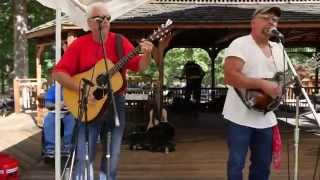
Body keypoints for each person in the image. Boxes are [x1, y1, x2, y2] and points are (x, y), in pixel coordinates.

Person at [52, 2, 153, 180]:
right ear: (90, 22)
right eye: (100, 18)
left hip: (115, 103)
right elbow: (58, 73)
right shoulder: (79, 45)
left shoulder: (120, 42)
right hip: (87, 105)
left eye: (108, 18)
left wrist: (147, 54)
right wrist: (81, 87)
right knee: (84, 156)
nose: (105, 21)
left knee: (112, 156)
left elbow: (140, 66)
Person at [223, 6, 287, 180]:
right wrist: (261, 84)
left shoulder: (278, 49)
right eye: (266, 17)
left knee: (262, 165)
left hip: (266, 117)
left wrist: (295, 75)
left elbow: (278, 81)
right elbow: (230, 76)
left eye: (274, 19)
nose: (271, 21)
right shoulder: (240, 44)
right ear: (253, 22)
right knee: (236, 163)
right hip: (239, 117)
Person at [42, 83, 76, 157]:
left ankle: (67, 147)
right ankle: (50, 149)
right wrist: (57, 105)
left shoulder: (73, 88)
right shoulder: (54, 88)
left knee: (72, 123)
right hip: (55, 111)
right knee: (48, 121)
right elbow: (47, 104)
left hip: (70, 112)